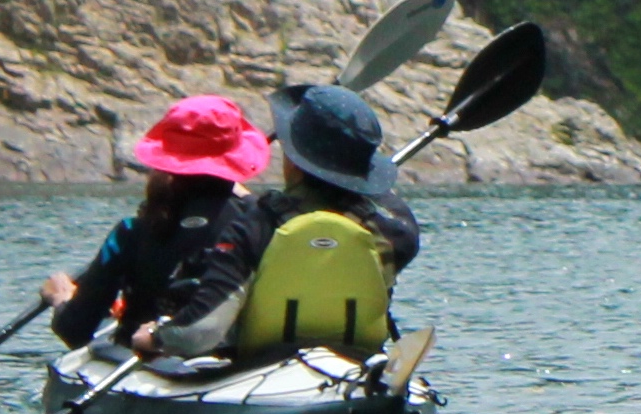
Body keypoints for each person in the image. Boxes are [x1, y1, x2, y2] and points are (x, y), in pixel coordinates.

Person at [138, 82, 421, 360]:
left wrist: (155, 337)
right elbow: (378, 202)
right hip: (356, 367)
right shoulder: (398, 231)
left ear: (293, 160)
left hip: (263, 372)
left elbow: (200, 331)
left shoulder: (255, 224)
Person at [43, 97, 273, 351]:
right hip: (236, 359)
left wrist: (61, 298)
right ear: (236, 157)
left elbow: (76, 330)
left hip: (147, 353)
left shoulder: (132, 231)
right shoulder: (263, 219)